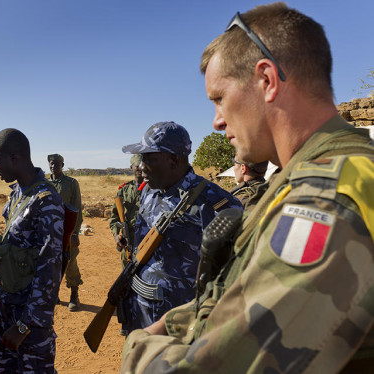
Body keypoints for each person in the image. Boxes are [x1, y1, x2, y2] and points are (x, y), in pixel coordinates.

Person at [121, 3, 374, 373]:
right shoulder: (310, 175)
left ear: (267, 80)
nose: (217, 122)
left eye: (219, 98)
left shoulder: (326, 197)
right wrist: (179, 322)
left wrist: (137, 347)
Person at [119, 121, 242, 335]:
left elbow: (234, 280)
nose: (140, 166)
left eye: (149, 158)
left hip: (179, 326)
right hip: (138, 311)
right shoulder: (149, 190)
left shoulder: (217, 205)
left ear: (174, 160)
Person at [0, 129, 64, 373]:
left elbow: (49, 268)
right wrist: (0, 299)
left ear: (13, 158)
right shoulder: (18, 194)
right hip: (9, 308)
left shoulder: (45, 200)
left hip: (30, 321)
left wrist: (25, 324)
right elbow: (12, 251)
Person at [47, 153, 83, 312]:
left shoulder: (71, 183)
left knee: (70, 262)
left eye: (57, 164)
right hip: (49, 230)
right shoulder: (44, 183)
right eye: (51, 164)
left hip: (67, 230)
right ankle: (54, 294)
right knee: (51, 263)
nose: (54, 166)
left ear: (62, 165)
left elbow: (77, 207)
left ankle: (74, 295)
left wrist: (75, 233)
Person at [108, 154, 145, 269]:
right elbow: (114, 217)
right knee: (126, 274)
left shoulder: (153, 189)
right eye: (137, 166)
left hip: (145, 239)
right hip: (127, 240)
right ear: (131, 167)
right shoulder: (124, 190)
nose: (140, 168)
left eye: (142, 165)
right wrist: (116, 236)